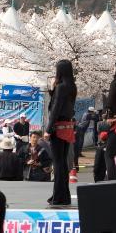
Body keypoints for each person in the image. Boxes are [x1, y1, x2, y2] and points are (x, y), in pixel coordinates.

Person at [48, 59, 77, 204]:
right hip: (68, 126)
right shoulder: (72, 86)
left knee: (58, 162)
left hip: (58, 126)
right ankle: (62, 195)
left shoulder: (61, 87)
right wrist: (52, 90)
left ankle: (59, 196)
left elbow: (55, 108)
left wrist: (48, 128)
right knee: (63, 162)